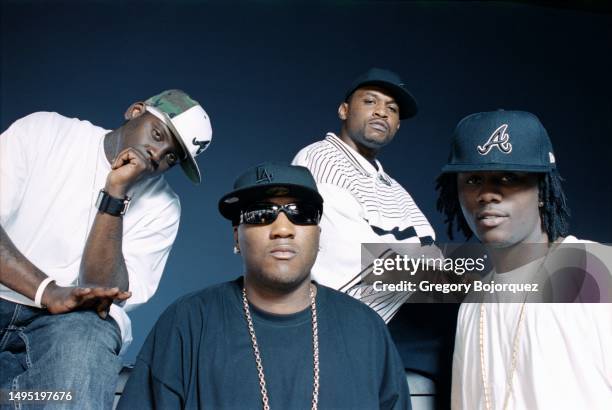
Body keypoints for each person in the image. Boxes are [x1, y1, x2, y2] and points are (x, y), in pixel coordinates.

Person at [118, 162, 410, 410]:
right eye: (261, 214)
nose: (282, 228)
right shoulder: (189, 322)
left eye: (301, 213)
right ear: (236, 237)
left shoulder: (365, 328)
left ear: (319, 236)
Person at [0, 89, 212, 409]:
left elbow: (104, 288)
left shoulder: (164, 207)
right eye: (158, 135)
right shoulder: (45, 132)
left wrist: (115, 192)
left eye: (172, 157)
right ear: (135, 111)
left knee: (86, 337)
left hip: (68, 325)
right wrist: (48, 291)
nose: (157, 154)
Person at [292, 68, 456, 407]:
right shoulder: (320, 160)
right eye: (370, 101)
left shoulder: (394, 188)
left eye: (392, 109)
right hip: (351, 330)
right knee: (514, 285)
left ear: (397, 126)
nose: (382, 111)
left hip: (410, 333)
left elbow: (432, 254)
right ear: (344, 110)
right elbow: (359, 267)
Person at [436, 110, 612, 409]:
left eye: (508, 177)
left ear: (542, 189)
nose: (487, 194)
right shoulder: (473, 303)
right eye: (474, 179)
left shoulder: (594, 266)